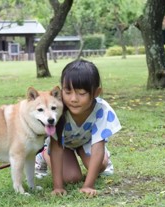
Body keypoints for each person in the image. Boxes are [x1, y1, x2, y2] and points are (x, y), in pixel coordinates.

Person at [35, 59, 122, 197]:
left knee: (100, 166)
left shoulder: (102, 110)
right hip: (62, 144)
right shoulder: (58, 109)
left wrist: (88, 186)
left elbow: (97, 146)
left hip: (86, 141)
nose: (73, 99)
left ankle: (100, 157)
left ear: (96, 92)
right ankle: (43, 154)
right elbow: (57, 147)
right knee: (71, 178)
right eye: (68, 92)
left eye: (81, 93)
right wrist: (58, 187)